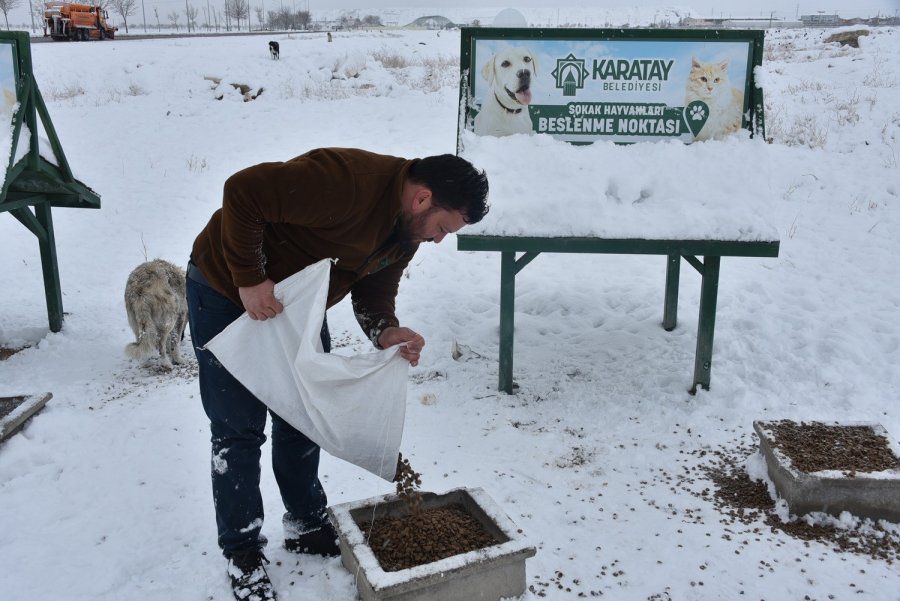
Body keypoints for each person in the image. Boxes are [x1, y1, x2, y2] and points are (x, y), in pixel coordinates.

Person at [186, 147, 489, 601]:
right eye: (444, 228)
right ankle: (243, 550)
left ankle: (306, 523)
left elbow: (375, 285)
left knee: (306, 414)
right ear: (423, 199)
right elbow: (243, 192)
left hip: (295, 307)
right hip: (227, 291)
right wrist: (249, 277)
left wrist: (385, 330)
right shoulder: (347, 183)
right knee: (237, 430)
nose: (440, 240)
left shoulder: (406, 232)